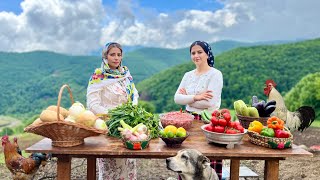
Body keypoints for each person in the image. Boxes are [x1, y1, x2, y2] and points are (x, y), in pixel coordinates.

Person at [86, 42, 139, 180]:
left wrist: (131, 109)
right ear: (105, 56)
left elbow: (134, 93)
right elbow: (93, 104)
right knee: (111, 165)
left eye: (119, 55)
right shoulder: (98, 76)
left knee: (129, 162)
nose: (116, 58)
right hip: (108, 125)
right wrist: (114, 115)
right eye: (112, 54)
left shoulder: (125, 73)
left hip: (128, 125)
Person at [174, 40, 223, 180]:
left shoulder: (215, 74)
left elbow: (210, 102)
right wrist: (197, 97)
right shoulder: (187, 75)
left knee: (208, 156)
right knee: (187, 158)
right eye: (193, 53)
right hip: (188, 120)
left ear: (207, 54)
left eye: (200, 52)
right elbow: (177, 98)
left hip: (210, 122)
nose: (196, 55)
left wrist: (188, 97)